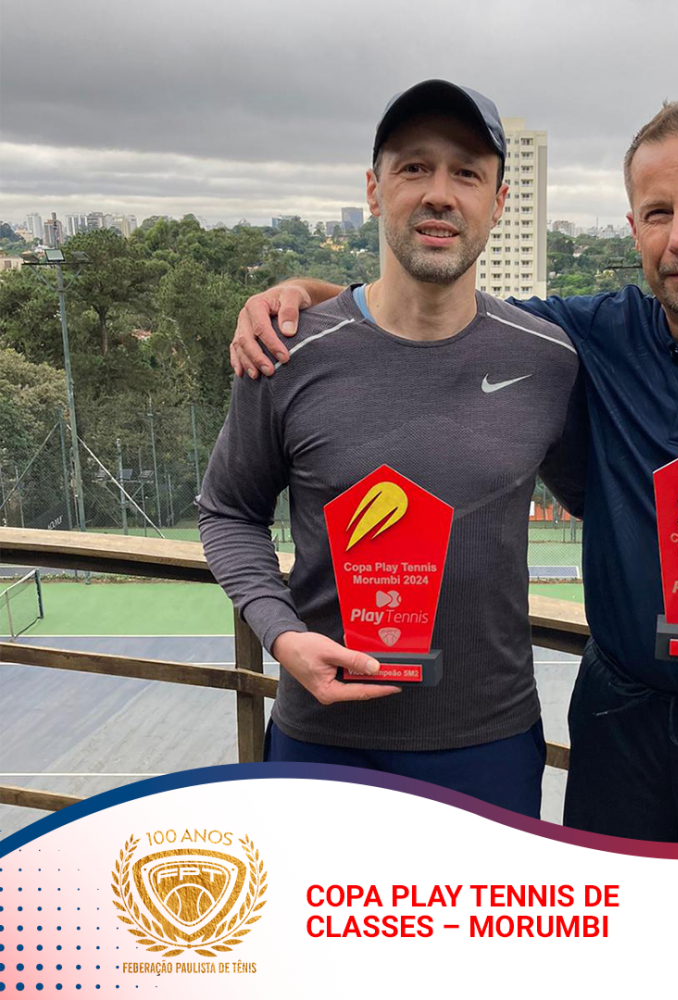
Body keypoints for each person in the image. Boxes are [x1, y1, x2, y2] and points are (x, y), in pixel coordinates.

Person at [228, 99, 678, 843]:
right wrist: (304, 294)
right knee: (607, 913)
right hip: (617, 716)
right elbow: (437, 303)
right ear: (633, 229)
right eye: (657, 214)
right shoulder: (591, 335)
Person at [198, 79, 584, 819]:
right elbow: (227, 511)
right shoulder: (285, 351)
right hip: (323, 738)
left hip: (490, 742)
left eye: (466, 172)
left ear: (499, 202)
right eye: (414, 168)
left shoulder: (547, 359)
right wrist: (281, 635)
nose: (440, 193)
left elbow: (607, 498)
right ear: (374, 191)